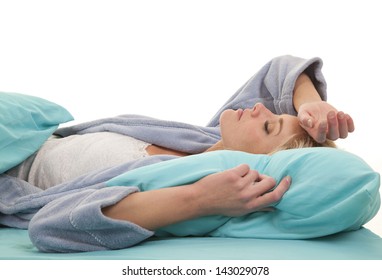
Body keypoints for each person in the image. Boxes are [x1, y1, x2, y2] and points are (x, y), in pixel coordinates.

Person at [1, 55, 354, 252]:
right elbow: (279, 71)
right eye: (277, 115)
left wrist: (198, 199)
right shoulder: (204, 142)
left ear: (249, 167)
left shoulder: (180, 189)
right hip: (28, 134)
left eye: (269, 127)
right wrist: (313, 105)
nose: (262, 110)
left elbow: (50, 226)